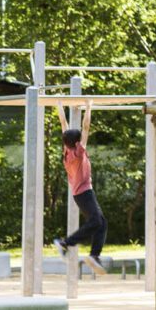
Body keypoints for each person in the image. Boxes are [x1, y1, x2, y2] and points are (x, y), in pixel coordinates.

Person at [53, 107, 108, 274]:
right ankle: (65, 243)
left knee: (101, 223)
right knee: (97, 222)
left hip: (80, 194)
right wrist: (89, 105)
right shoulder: (78, 152)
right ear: (77, 143)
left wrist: (59, 104)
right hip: (84, 193)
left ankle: (94, 255)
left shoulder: (67, 151)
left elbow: (64, 124)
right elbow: (86, 127)